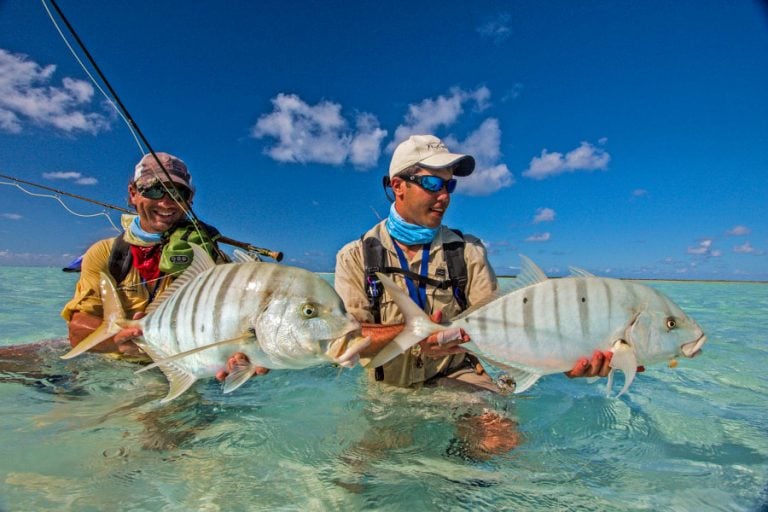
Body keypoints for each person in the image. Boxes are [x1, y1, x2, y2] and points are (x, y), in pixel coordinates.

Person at [334, 134, 613, 393]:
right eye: (433, 184)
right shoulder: (355, 256)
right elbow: (346, 339)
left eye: (449, 185)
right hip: (390, 386)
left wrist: (563, 359)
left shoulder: (467, 251)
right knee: (365, 449)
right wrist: (414, 335)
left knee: (499, 438)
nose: (445, 196)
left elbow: (505, 331)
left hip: (459, 373)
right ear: (398, 186)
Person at [61, 152, 225, 361]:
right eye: (156, 190)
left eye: (178, 193)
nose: (167, 203)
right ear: (133, 193)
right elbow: (77, 333)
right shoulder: (106, 252)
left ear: (189, 199)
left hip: (177, 365)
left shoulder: (208, 254)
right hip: (109, 363)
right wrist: (122, 340)